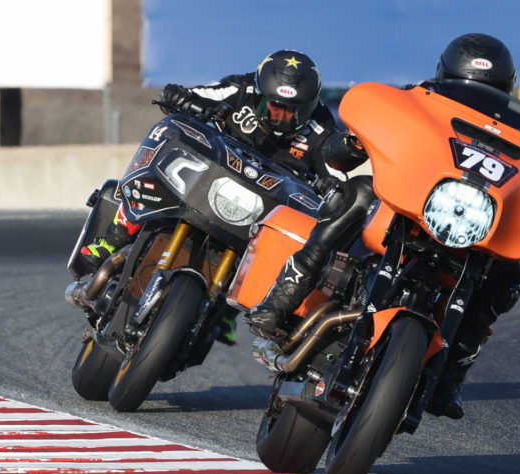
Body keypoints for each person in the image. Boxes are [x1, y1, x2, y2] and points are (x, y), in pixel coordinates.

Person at [248, 33, 520, 419]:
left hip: (469, 229)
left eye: (488, 92)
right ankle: (282, 301)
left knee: (507, 273)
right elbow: (376, 127)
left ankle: (451, 377)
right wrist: (355, 142)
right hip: (409, 209)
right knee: (356, 193)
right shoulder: (420, 100)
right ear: (445, 78)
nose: (477, 99)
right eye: (467, 89)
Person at [79, 49, 365, 344]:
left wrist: (331, 184)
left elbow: (334, 170)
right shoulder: (240, 88)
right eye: (274, 107)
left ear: (310, 106)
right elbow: (192, 93)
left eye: (294, 111)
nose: (281, 117)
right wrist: (184, 99)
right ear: (259, 93)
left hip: (261, 207)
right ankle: (114, 236)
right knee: (158, 177)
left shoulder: (321, 127)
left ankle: (227, 310)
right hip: (209, 180)